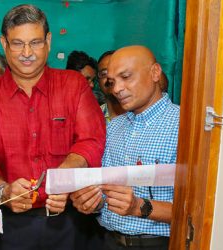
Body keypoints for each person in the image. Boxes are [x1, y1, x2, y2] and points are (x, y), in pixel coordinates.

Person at [0, 4, 106, 250]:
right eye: (17, 43)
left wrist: (61, 180)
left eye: (35, 42)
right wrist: (2, 190)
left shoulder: (74, 85)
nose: (27, 52)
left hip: (72, 220)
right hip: (11, 224)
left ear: (48, 41)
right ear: (4, 44)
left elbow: (91, 140)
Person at [70, 45, 179, 250]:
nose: (117, 89)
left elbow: (199, 211)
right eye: (112, 82)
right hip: (108, 241)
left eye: (126, 77)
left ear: (155, 73)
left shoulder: (184, 127)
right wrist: (91, 201)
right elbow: (104, 193)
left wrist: (139, 207)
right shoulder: (114, 127)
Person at [97, 50, 125, 123]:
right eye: (104, 73)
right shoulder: (93, 117)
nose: (109, 77)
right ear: (98, 82)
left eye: (116, 70)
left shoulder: (140, 114)